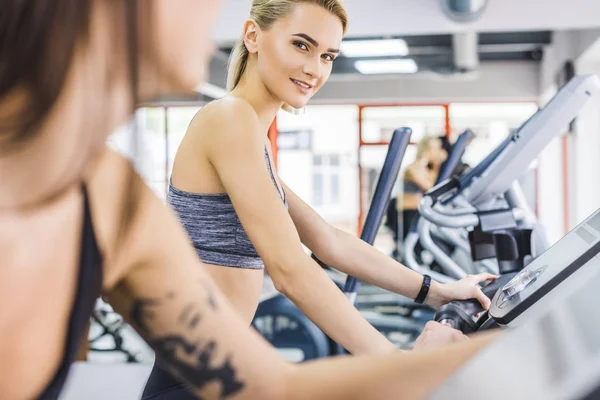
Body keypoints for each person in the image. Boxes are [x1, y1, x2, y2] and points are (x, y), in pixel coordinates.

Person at [0, 1, 497, 399]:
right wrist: (402, 362)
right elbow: (291, 268)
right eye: (302, 45)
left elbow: (325, 243)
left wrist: (437, 298)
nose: (316, 68)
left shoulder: (110, 191)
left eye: (327, 55)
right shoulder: (229, 118)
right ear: (253, 37)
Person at [400, 135, 448, 239]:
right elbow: (431, 187)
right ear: (427, 150)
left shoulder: (425, 169)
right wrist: (438, 163)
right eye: (436, 149)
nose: (438, 152)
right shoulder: (413, 168)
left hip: (420, 213)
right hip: (409, 214)